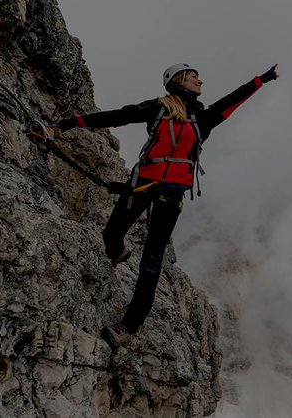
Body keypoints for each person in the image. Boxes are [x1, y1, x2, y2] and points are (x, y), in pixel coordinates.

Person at [56, 63, 279, 349]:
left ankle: (129, 326)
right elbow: (119, 116)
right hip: (142, 183)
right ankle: (117, 251)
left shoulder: (202, 118)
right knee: (111, 235)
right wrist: (73, 122)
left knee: (152, 260)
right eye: (194, 76)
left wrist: (262, 79)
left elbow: (233, 100)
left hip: (170, 195)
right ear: (178, 81)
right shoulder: (158, 108)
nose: (200, 80)